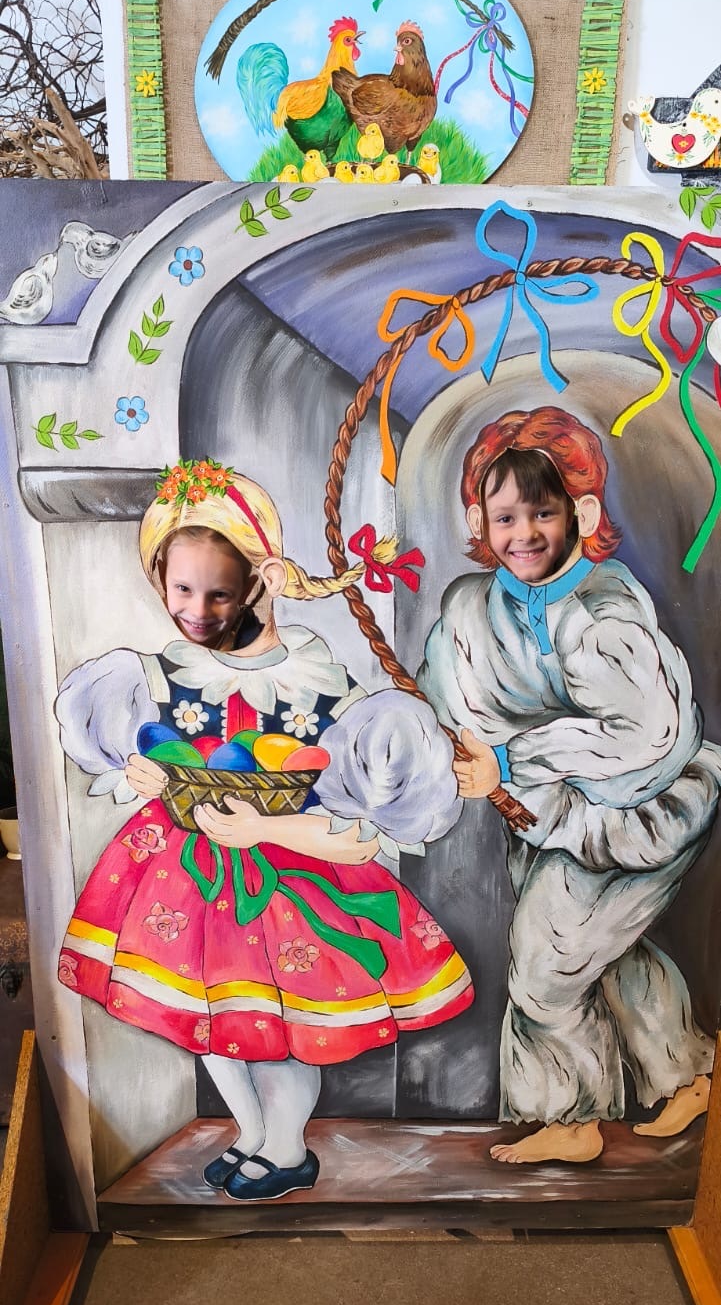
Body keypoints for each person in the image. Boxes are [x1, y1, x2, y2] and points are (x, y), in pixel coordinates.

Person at [56, 458, 473, 1200]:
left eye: (219, 592)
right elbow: (152, 760)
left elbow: (358, 837)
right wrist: (146, 776)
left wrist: (263, 833)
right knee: (212, 1021)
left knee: (279, 1032)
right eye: (180, 590)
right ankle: (249, 1133)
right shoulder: (155, 680)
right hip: (184, 886)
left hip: (291, 883)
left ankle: (287, 1149)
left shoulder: (323, 690)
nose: (196, 611)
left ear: (265, 581)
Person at [418, 406, 720, 1165]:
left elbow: (644, 734)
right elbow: (441, 698)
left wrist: (509, 761)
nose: (523, 533)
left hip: (640, 813)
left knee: (546, 967)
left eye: (542, 513)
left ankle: (571, 1116)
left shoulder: (604, 611)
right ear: (477, 521)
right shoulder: (470, 606)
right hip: (545, 817)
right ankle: (685, 1072)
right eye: (504, 517)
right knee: (603, 951)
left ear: (581, 514)